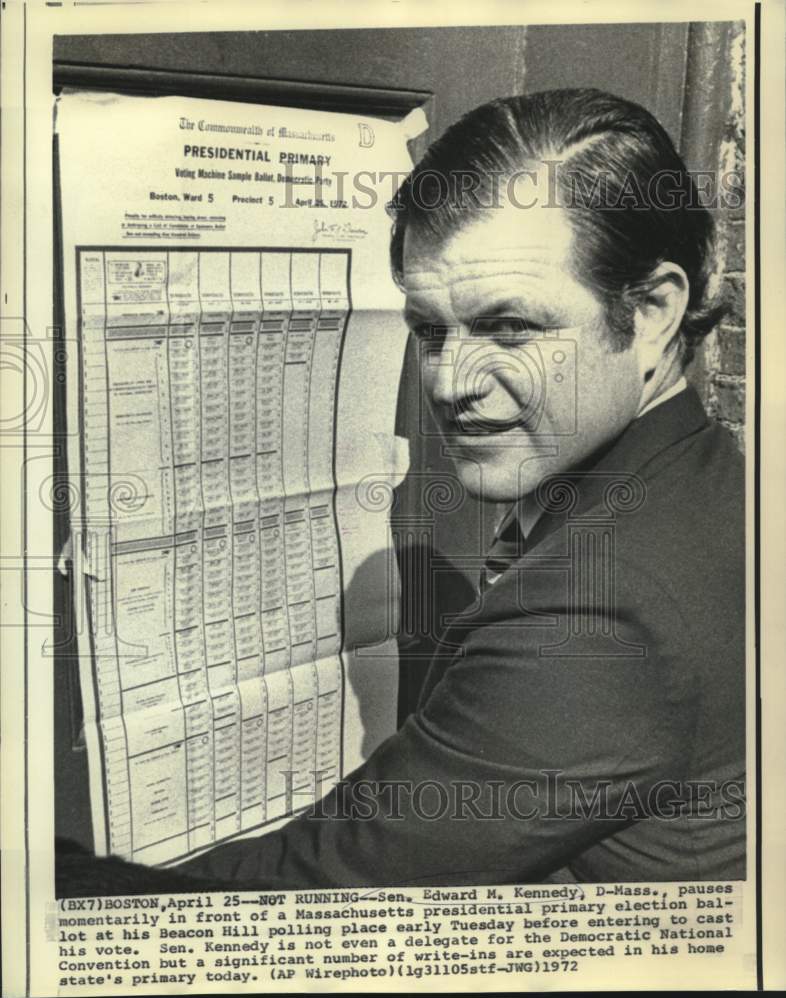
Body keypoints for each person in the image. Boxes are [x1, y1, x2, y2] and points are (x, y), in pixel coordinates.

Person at [57, 88, 746, 894]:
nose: (449, 383)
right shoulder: (700, 479)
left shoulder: (601, 608)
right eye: (430, 330)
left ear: (654, 310)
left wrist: (43, 890)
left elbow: (307, 899)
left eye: (510, 328)